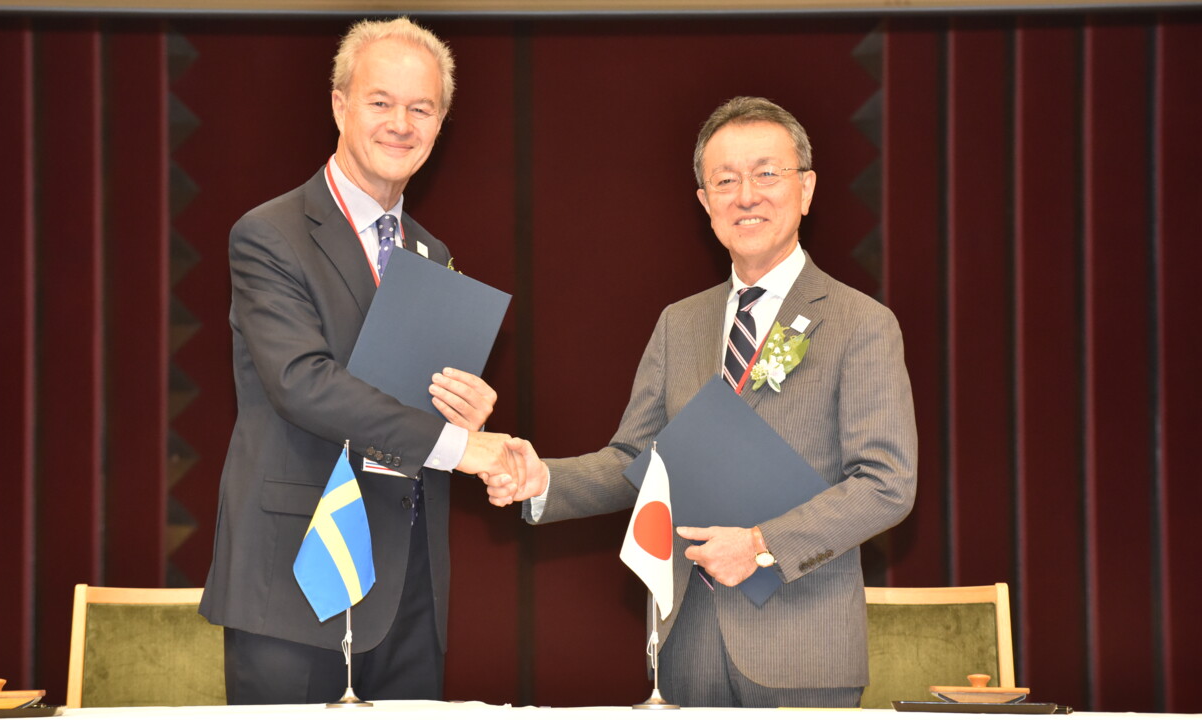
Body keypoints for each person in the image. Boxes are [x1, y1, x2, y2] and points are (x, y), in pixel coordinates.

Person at [488, 97, 918, 708]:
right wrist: (544, 481)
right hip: (687, 643)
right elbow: (637, 459)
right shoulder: (680, 324)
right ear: (705, 202)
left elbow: (886, 484)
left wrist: (761, 543)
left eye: (767, 173)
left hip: (803, 646)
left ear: (806, 189)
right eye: (725, 181)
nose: (747, 195)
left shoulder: (861, 323)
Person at [199, 17, 511, 704]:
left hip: (410, 587)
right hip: (297, 581)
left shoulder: (431, 253)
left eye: (421, 108)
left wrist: (466, 408)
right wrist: (461, 447)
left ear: (440, 124)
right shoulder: (269, 235)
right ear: (340, 105)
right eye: (380, 102)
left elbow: (409, 400)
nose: (401, 123)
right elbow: (302, 384)